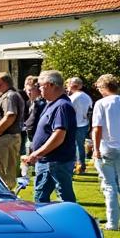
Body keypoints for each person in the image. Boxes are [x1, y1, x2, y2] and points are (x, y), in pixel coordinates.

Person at [23, 70, 77, 203]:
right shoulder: (53, 104)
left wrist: (37, 154)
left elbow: (59, 135)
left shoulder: (62, 106)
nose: (39, 89)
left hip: (55, 161)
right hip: (49, 161)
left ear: (51, 85)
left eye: (41, 85)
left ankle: (73, 222)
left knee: (64, 199)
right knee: (41, 198)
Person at [91, 74, 120, 230]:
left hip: (107, 148)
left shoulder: (101, 103)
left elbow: (97, 128)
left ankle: (113, 222)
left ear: (103, 87)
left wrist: (95, 149)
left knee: (109, 186)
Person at [0, 73, 25, 185]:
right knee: (7, 173)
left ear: (2, 83)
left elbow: (10, 115)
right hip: (8, 138)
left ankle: (0, 197)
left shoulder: (9, 96)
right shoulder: (10, 95)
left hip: (5, 139)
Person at [68, 77, 93, 175]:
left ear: (73, 86)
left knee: (74, 146)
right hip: (84, 123)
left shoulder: (73, 97)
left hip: (74, 124)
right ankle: (81, 165)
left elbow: (68, 110)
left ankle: (77, 166)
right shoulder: (87, 97)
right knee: (80, 146)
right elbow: (89, 111)